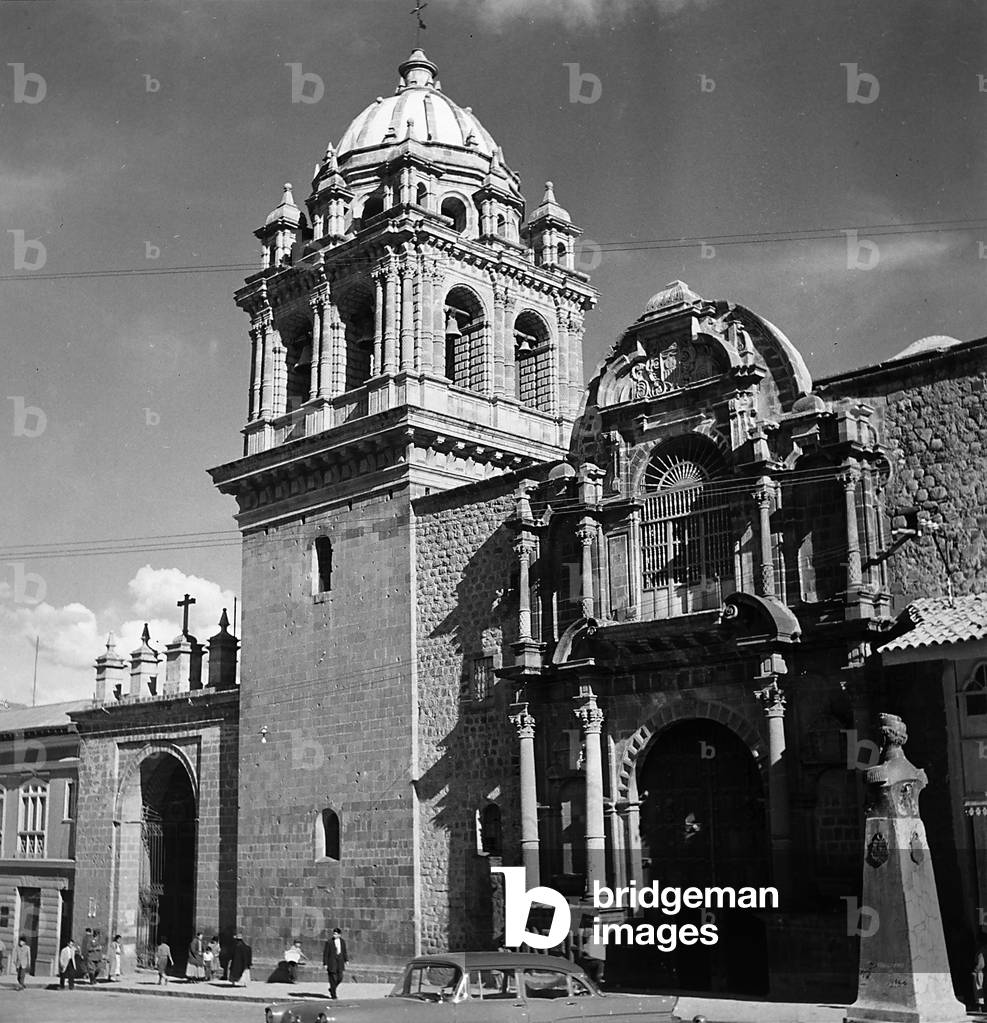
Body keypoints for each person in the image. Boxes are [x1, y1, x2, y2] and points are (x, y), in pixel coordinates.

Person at [323, 927, 348, 999]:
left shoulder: (342, 942)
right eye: (334, 934)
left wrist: (346, 960)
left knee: (340, 977)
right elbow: (326, 953)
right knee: (332, 979)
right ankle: (333, 995)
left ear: (339, 935)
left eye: (336, 934)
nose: (334, 935)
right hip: (332, 962)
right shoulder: (329, 942)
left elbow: (344, 951)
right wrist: (325, 963)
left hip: (340, 962)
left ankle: (332, 988)